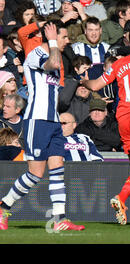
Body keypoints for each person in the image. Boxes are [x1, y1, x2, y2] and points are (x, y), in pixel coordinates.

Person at [0, 20, 85, 231]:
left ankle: (59, 220)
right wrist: (53, 40)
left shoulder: (56, 56)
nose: (67, 40)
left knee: (57, 170)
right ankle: (3, 206)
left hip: (54, 122)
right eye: (63, 36)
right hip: (37, 122)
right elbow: (53, 63)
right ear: (52, 35)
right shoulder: (36, 54)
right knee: (35, 174)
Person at [80, 27, 130, 227]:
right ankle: (121, 198)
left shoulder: (119, 63)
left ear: (129, 43)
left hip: (123, 118)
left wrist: (83, 80)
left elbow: (96, 85)